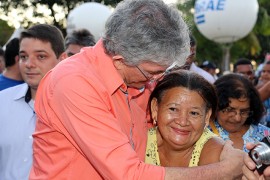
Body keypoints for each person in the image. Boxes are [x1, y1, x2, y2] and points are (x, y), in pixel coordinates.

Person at [30, 0, 244, 179]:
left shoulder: (138, 80)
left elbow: (180, 126)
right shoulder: (74, 83)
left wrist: (226, 149)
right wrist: (222, 171)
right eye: (153, 72)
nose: (158, 79)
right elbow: (129, 175)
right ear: (121, 58)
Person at [0, 24, 64, 180]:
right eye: (23, 56)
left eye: (40, 56)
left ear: (62, 59)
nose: (29, 64)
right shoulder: (2, 101)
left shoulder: (78, 107)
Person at [146, 71, 224, 167]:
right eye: (173, 109)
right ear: (155, 108)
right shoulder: (137, 142)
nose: (182, 122)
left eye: (194, 113)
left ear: (207, 116)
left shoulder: (215, 150)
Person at [209, 73, 270, 152]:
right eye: (230, 110)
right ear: (215, 106)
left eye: (244, 111)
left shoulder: (265, 135)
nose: (237, 118)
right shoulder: (200, 135)